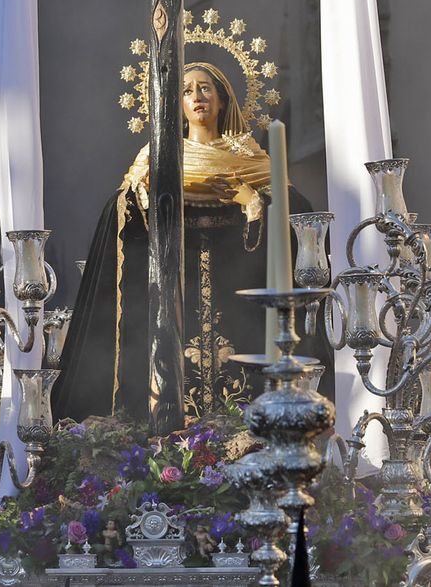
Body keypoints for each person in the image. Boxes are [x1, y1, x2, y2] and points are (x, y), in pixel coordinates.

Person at [54, 61, 325, 425]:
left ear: (224, 99)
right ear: (175, 105)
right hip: (175, 292)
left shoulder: (254, 163)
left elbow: (298, 224)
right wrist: (143, 195)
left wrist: (254, 204)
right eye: (186, 91)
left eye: (205, 88)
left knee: (243, 398)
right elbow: (121, 219)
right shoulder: (155, 160)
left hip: (240, 297)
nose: (196, 97)